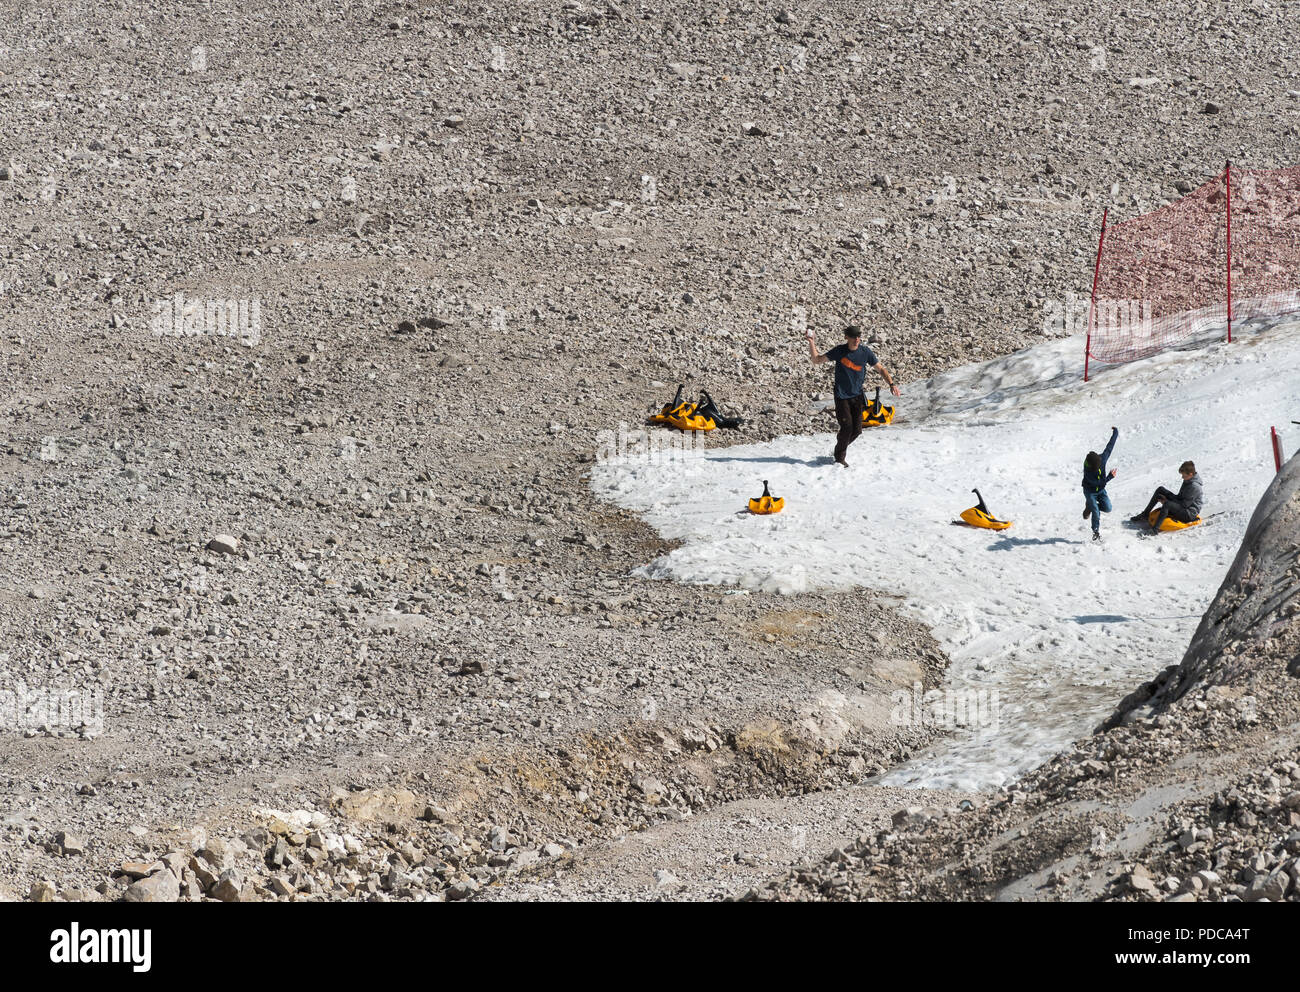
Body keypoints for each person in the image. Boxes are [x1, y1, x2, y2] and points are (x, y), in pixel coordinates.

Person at [807, 325, 901, 466]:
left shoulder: (865, 352)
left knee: (857, 430)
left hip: (857, 395)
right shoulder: (839, 351)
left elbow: (880, 369)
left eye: (858, 336)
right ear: (847, 337)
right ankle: (839, 458)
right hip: (841, 395)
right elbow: (817, 360)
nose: (856, 339)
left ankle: (840, 444)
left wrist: (892, 384)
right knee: (847, 427)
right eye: (853, 337)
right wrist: (811, 342)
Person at [1130, 461, 1202, 533]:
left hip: (1188, 514)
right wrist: (1168, 498)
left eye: (1184, 475)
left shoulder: (1194, 486)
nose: (1182, 477)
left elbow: (1185, 504)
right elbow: (1180, 497)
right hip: (1183, 506)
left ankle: (1155, 530)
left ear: (1190, 474)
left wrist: (1167, 501)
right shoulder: (1188, 480)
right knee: (1160, 490)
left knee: (1167, 504)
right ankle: (1145, 514)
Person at [1082, 426, 1119, 541]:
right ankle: (1095, 531)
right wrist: (1110, 477)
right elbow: (1098, 483)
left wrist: (1115, 433)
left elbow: (1110, 447)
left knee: (1108, 508)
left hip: (1101, 490)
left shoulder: (1101, 459)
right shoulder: (1088, 470)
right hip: (1090, 491)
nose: (1096, 469)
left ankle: (1090, 507)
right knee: (1096, 513)